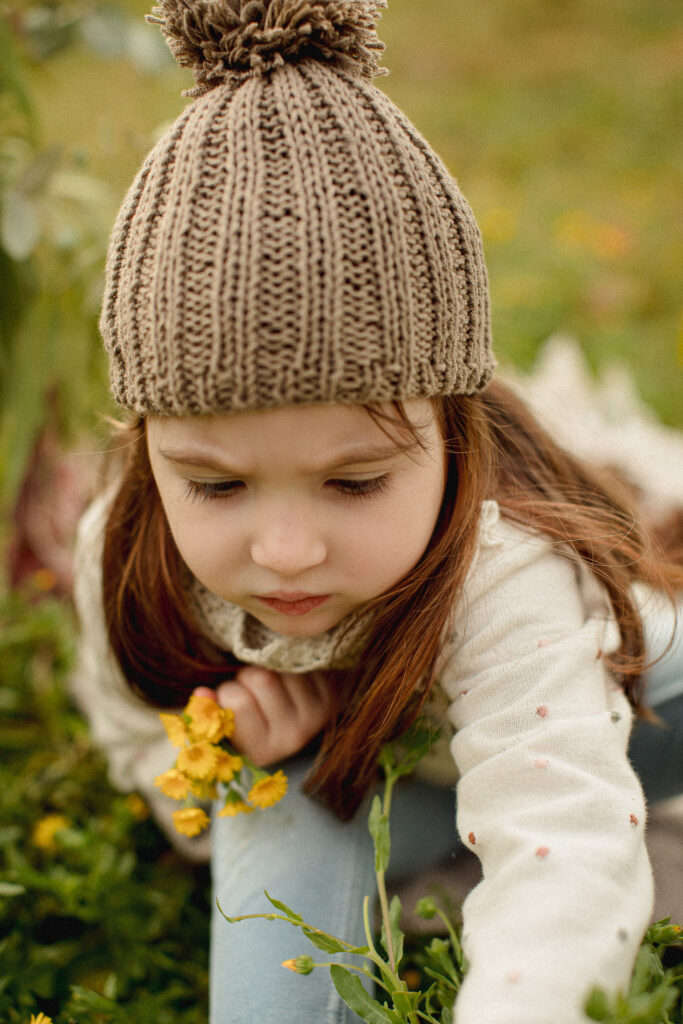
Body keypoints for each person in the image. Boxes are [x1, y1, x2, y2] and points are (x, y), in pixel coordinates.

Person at [71, 1, 683, 1022]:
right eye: (216, 484)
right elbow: (133, 731)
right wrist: (216, 755)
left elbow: (556, 833)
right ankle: (428, 860)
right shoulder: (126, 552)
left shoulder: (504, 564)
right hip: (374, 772)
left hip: (643, 709)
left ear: (451, 434)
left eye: (353, 482)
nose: (284, 548)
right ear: (148, 451)